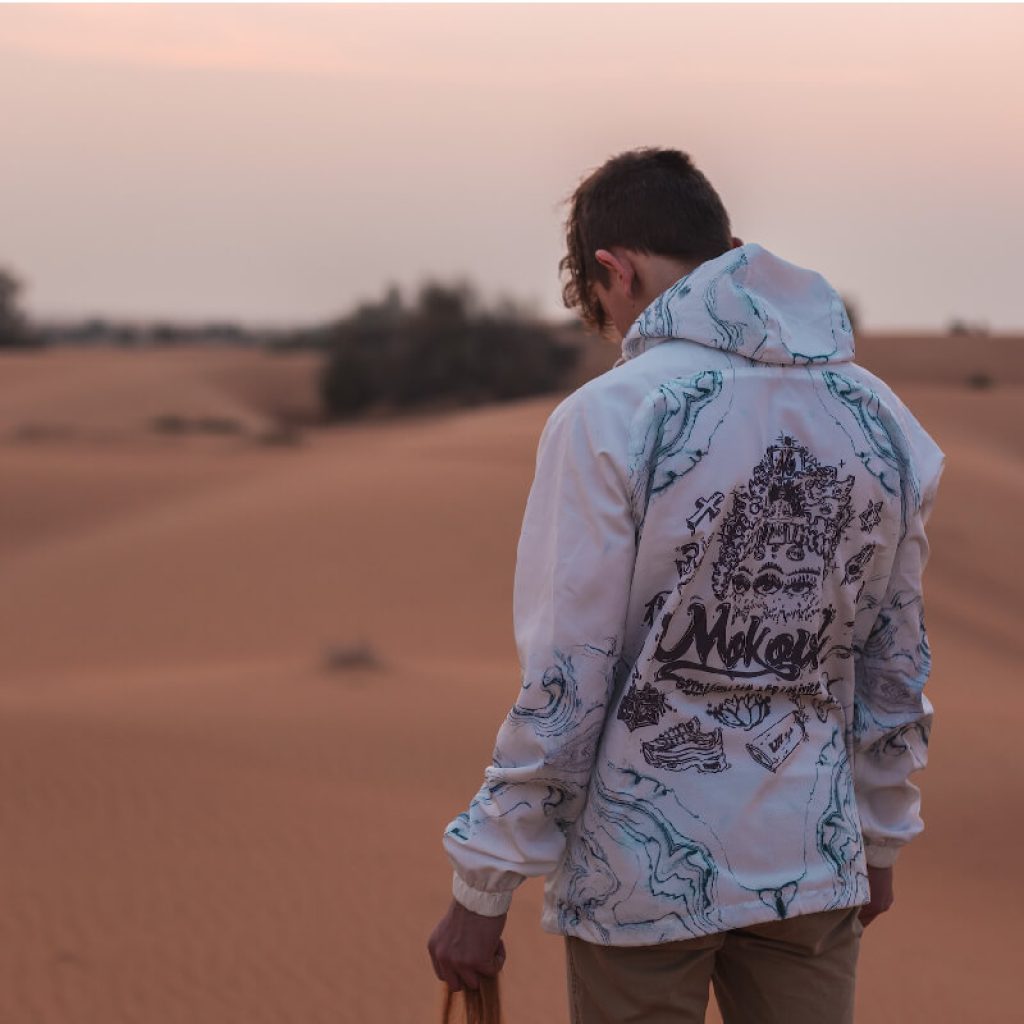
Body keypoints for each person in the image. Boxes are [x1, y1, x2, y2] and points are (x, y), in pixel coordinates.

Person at [427, 147, 944, 1023]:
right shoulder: (880, 416)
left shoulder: (613, 415)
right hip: (811, 862)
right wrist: (878, 833)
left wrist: (482, 889)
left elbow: (567, 683)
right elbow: (897, 660)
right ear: (726, 246)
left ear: (612, 270)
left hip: (640, 883)